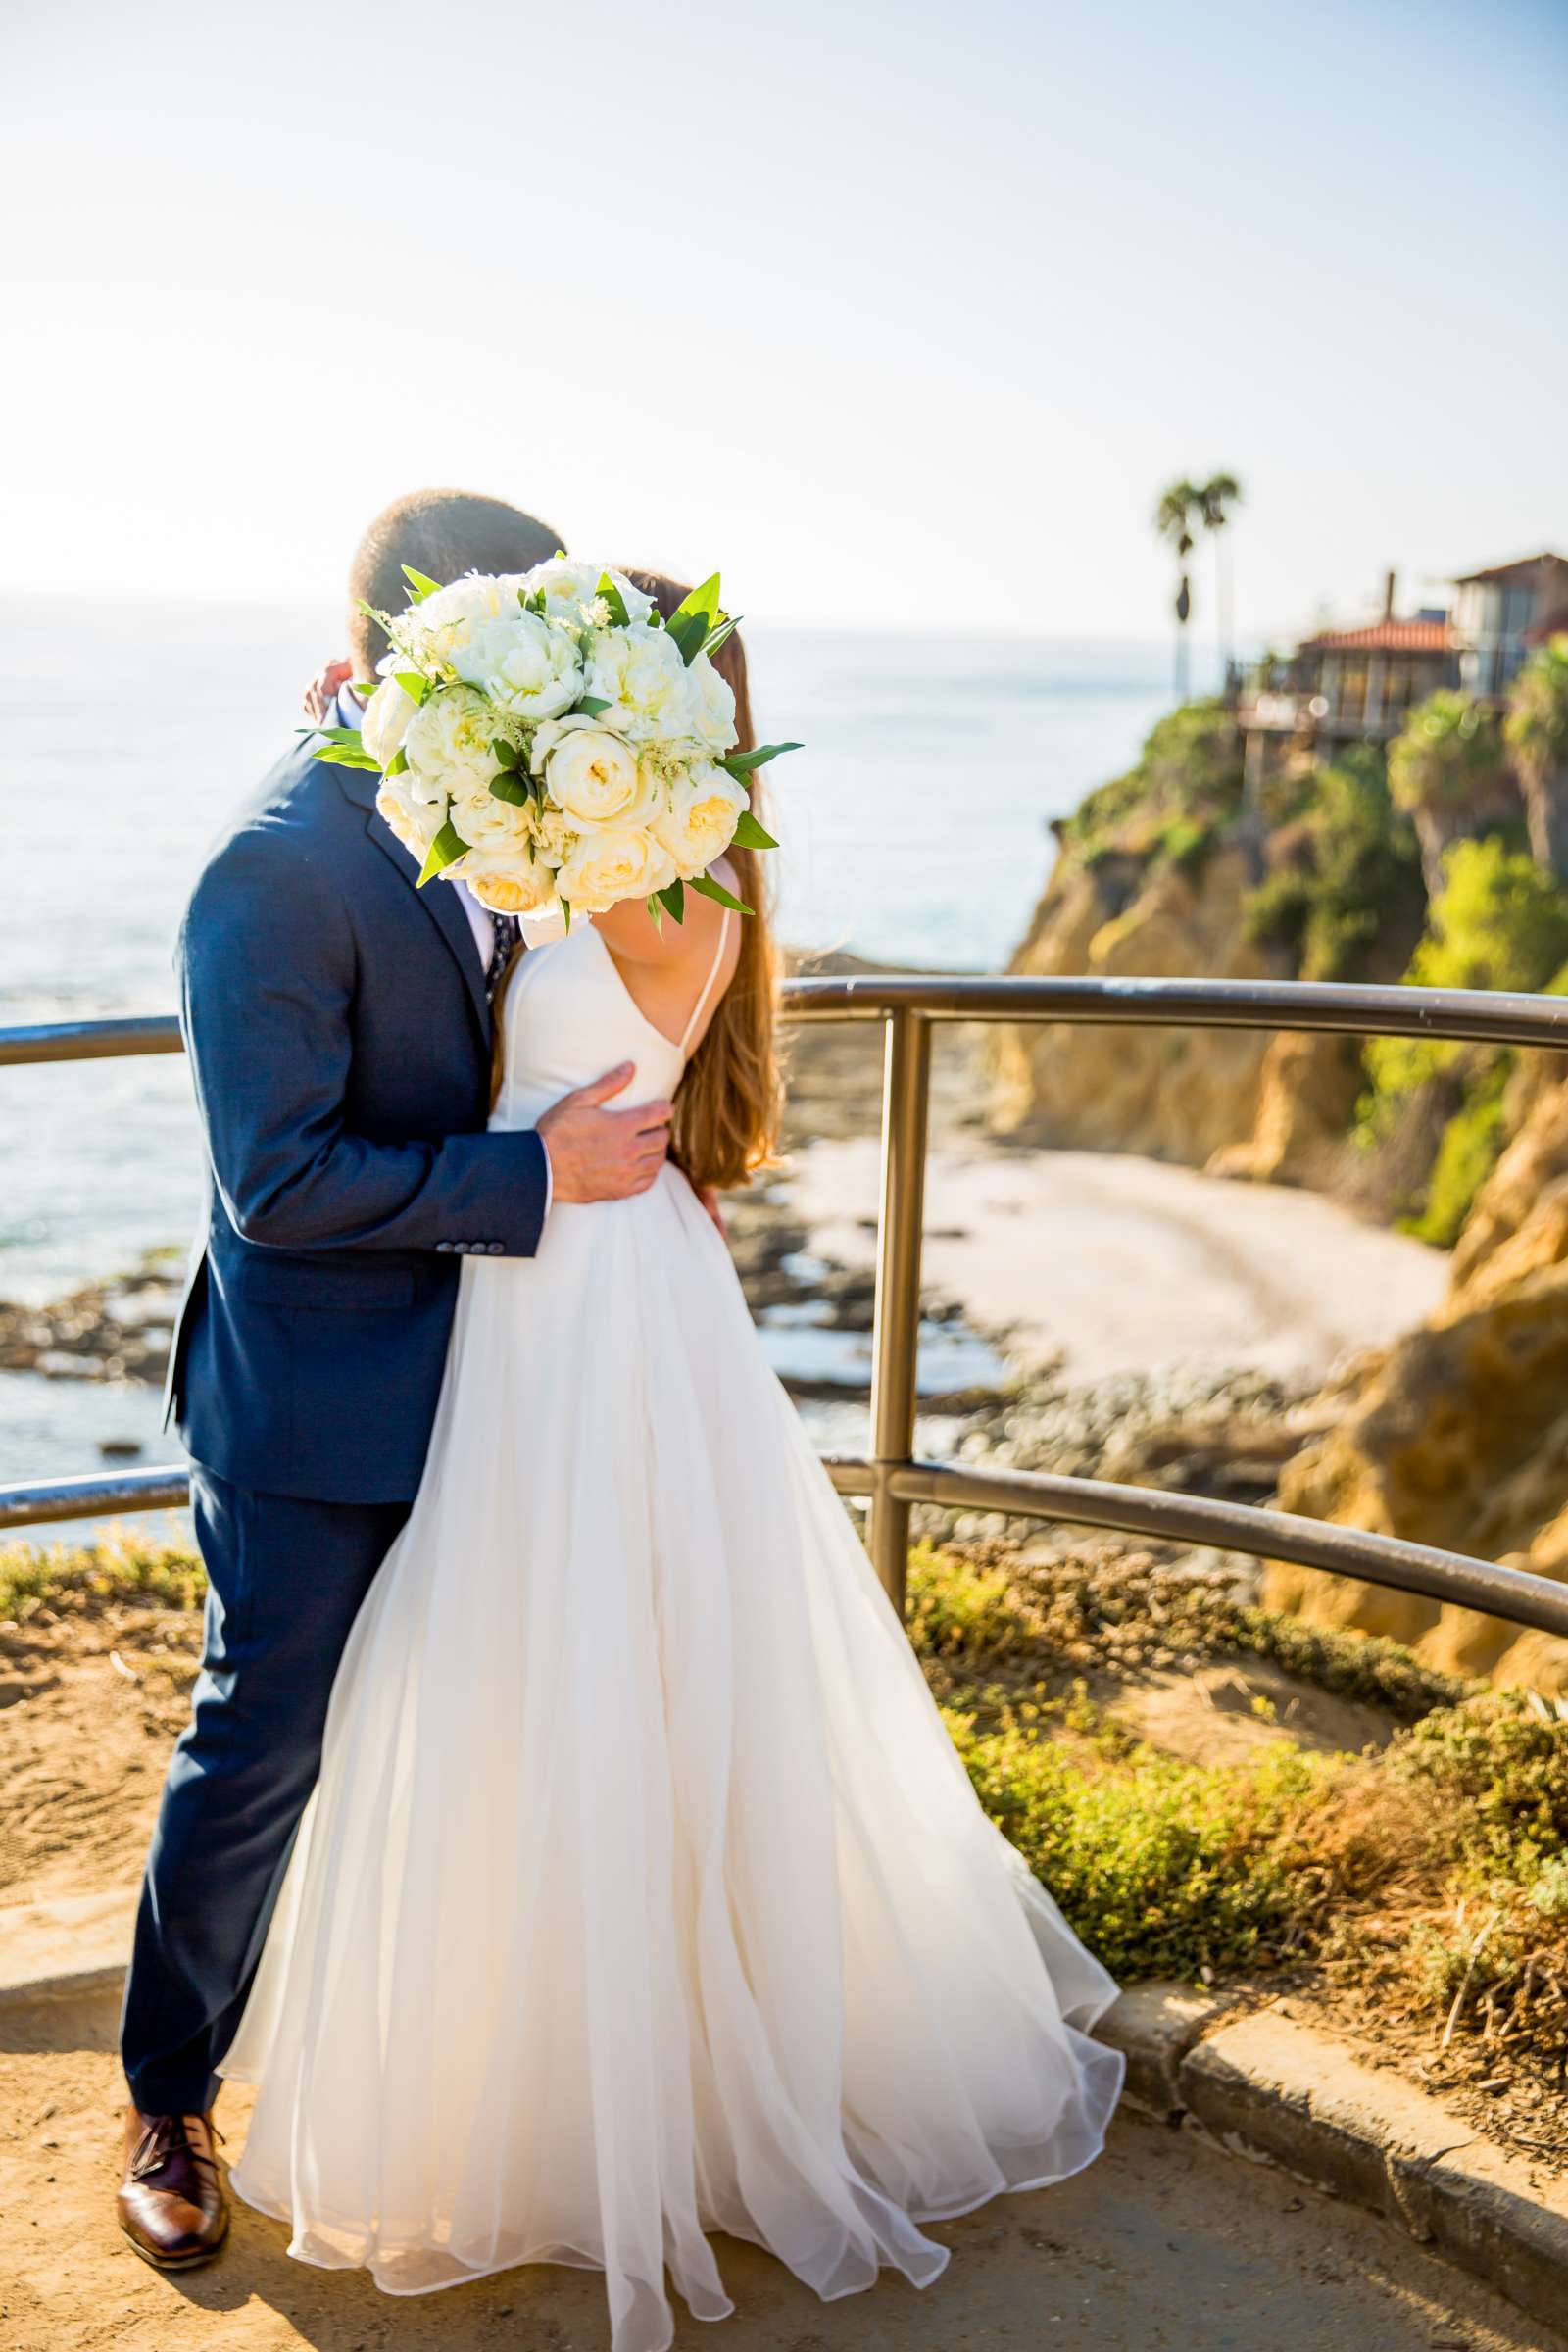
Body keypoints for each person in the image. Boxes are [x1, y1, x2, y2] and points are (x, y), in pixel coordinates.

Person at [195, 571, 1126, 2352]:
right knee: (582, 1669)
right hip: (578, 1276)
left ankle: (632, 2093)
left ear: (663, 716)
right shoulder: (675, 864)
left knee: (579, 1666)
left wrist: (432, 742)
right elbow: (463, 914)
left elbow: (490, 896)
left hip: (583, 1305)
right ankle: (604, 2056)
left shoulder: (646, 869)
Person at [116, 493, 698, 2268]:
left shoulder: (480, 803)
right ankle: (166, 2094)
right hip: (317, 1416)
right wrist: (542, 1182)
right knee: (265, 1746)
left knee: (461, 1747)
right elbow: (273, 1185)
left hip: (494, 1389)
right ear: (439, 645)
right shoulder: (273, 867)